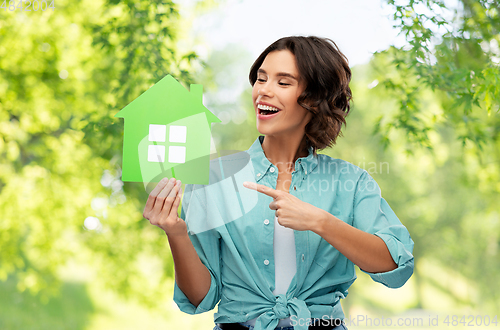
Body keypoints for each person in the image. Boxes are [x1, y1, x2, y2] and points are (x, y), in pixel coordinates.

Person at [142, 36, 414, 330]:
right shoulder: (213, 178)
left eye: (283, 83)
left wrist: (320, 221)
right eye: (261, 79)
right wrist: (176, 232)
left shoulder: (351, 182)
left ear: (314, 98)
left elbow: (396, 267)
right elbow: (200, 299)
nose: (264, 91)